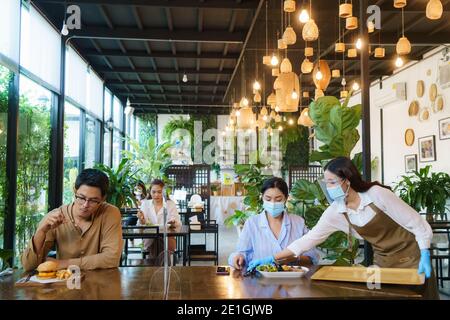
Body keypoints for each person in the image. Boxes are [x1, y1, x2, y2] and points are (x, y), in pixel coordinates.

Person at [247, 157, 433, 279]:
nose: (329, 188)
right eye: (326, 183)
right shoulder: (336, 211)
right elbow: (308, 240)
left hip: (412, 258)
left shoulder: (377, 194)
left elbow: (416, 222)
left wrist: (424, 252)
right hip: (383, 263)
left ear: (347, 180)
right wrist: (272, 258)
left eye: (332, 182)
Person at [22, 169, 123, 271]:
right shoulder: (56, 217)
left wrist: (63, 264)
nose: (85, 205)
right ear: (75, 191)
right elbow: (29, 266)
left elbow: (111, 258)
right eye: (81, 198)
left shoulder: (110, 213)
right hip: (65, 284)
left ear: (103, 199)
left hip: (100, 283)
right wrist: (41, 231)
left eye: (93, 200)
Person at [228, 177, 319, 270]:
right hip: (259, 280)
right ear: (262, 197)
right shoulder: (252, 223)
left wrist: (291, 259)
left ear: (286, 198)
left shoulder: (298, 222)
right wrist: (237, 258)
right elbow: (241, 253)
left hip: (291, 280)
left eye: (278, 199)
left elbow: (312, 258)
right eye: (268, 199)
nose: (273, 203)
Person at [137, 179, 181, 259]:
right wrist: (141, 219)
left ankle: (154, 266)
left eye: (159, 192)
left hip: (168, 238)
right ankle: (163, 266)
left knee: (160, 240)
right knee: (156, 240)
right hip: (150, 239)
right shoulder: (145, 204)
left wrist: (173, 222)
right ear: (150, 192)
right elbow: (140, 225)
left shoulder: (170, 204)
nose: (156, 195)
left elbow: (178, 223)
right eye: (153, 192)